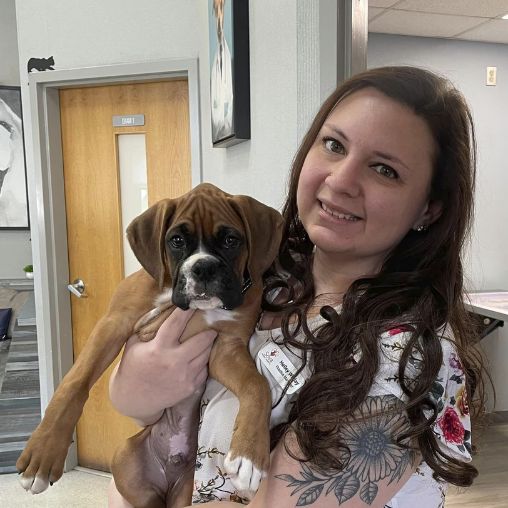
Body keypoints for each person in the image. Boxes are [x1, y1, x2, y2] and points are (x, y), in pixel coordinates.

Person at [108, 66, 485, 507]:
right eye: (333, 145)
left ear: (429, 209)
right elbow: (145, 402)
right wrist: (135, 385)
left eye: (384, 169)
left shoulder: (407, 358)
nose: (342, 181)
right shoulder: (262, 274)